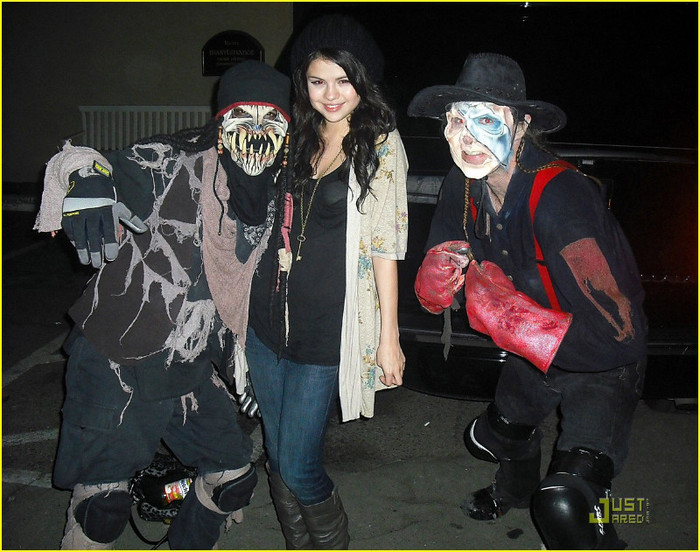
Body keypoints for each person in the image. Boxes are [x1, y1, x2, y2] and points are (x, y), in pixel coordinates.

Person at [33, 61, 291, 549]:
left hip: (189, 365)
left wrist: (251, 362)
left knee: (234, 480)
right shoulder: (173, 164)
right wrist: (86, 182)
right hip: (119, 356)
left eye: (271, 120)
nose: (256, 133)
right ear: (220, 124)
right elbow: (87, 160)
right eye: (243, 117)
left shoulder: (281, 196)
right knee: (102, 510)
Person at [408, 53, 647, 549]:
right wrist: (437, 278)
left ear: (522, 126)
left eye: (486, 119)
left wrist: (512, 322)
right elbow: (446, 246)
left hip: (600, 364)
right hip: (533, 354)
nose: (467, 136)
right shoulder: (465, 183)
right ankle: (513, 492)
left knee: (565, 504)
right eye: (455, 120)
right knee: (492, 438)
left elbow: (620, 337)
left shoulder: (563, 199)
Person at [244, 14, 409, 549]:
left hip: (324, 330)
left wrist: (389, 338)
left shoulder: (380, 144)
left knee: (296, 459)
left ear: (363, 80)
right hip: (265, 322)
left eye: (343, 80)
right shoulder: (293, 134)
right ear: (303, 82)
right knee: (276, 449)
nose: (331, 94)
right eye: (318, 80)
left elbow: (386, 247)